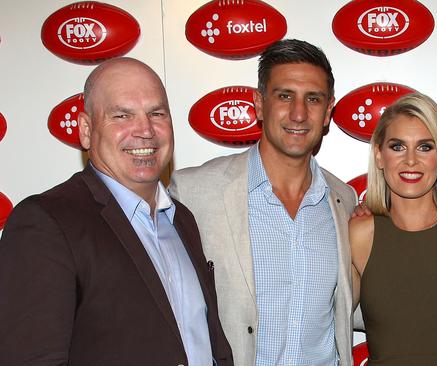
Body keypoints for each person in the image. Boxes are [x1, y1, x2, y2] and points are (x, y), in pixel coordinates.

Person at [0, 58, 233, 366]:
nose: (145, 130)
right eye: (122, 115)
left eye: (156, 113)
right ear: (86, 130)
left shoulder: (182, 220)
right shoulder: (46, 224)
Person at [169, 39, 357, 366]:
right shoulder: (193, 193)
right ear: (259, 103)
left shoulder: (344, 201)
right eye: (284, 96)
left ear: (328, 111)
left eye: (313, 99)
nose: (298, 113)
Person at [349, 92, 437, 365]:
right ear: (378, 155)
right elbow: (324, 320)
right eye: (397, 146)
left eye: (425, 147)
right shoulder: (360, 235)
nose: (411, 160)